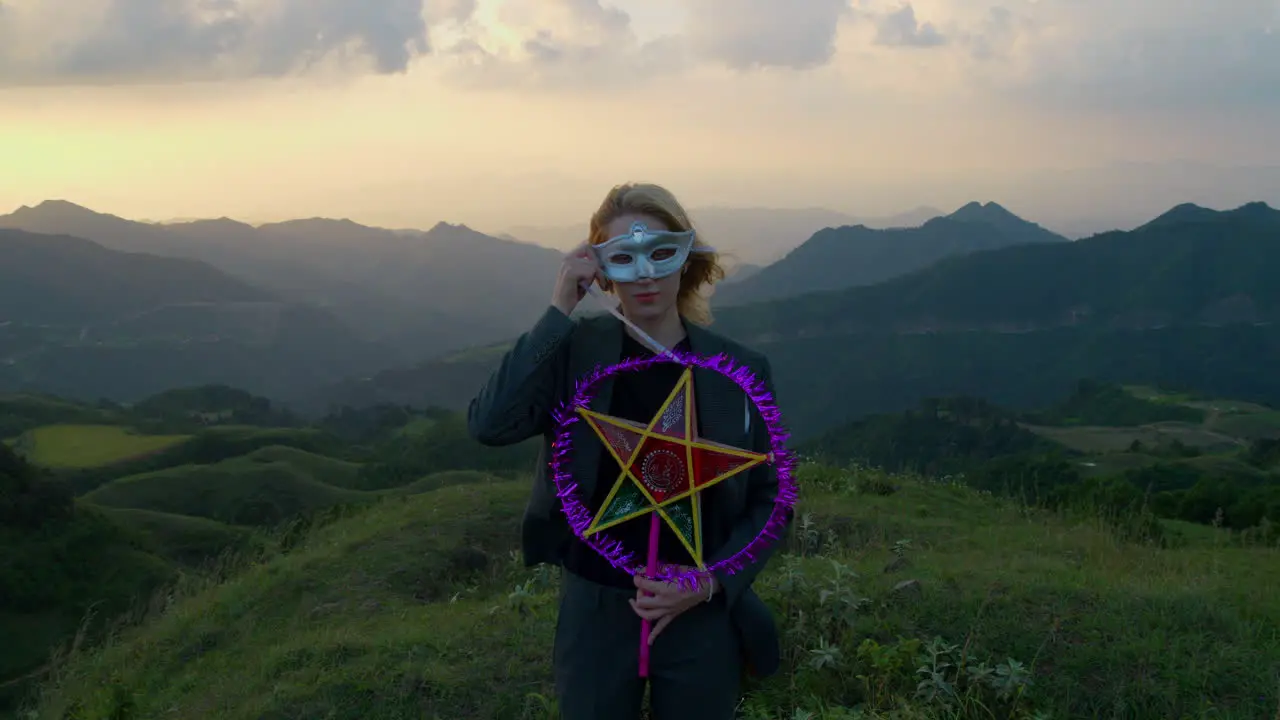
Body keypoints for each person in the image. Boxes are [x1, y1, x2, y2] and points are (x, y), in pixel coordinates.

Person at [467, 182, 787, 720]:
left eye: (661, 253)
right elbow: (490, 424)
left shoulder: (739, 371)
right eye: (623, 257)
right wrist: (557, 310)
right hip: (596, 607)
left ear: (687, 259)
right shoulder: (572, 354)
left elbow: (771, 500)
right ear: (599, 267)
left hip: (698, 612)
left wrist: (711, 581)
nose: (644, 274)